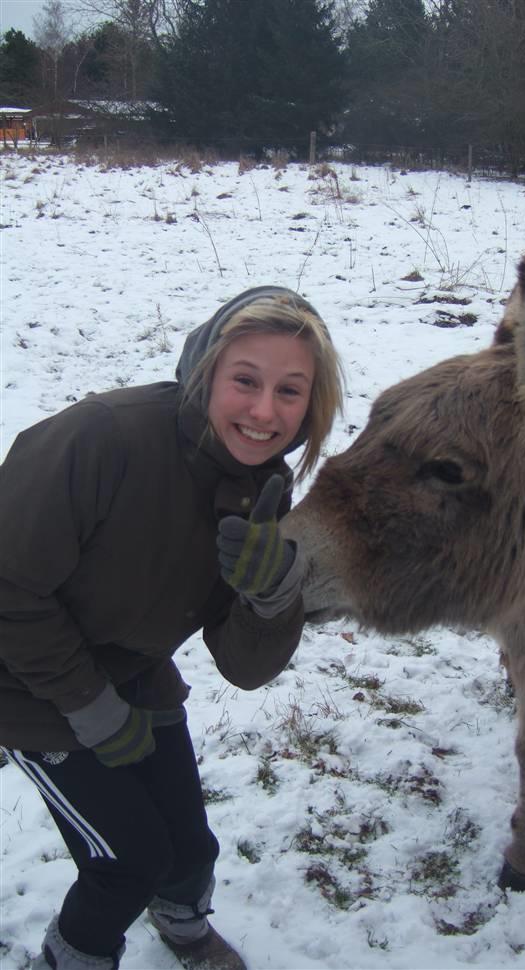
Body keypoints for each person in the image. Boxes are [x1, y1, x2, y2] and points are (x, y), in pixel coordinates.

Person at [0, 287, 344, 970]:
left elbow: (244, 668)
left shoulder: (260, 488)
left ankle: (183, 925)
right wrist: (90, 706)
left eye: (290, 391)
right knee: (128, 861)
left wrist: (274, 598)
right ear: (205, 369)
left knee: (189, 847)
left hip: (133, 667)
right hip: (24, 684)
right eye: (245, 380)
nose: (264, 411)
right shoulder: (103, 437)